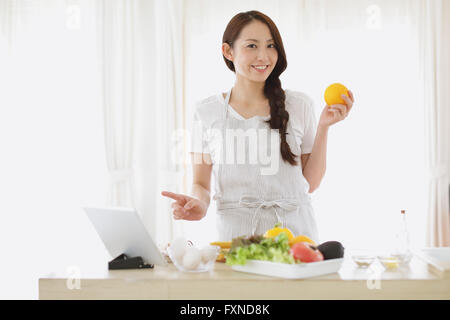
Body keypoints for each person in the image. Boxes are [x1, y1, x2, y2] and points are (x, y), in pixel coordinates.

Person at [162, 10, 354, 243]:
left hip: (295, 237)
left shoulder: (299, 105)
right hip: (236, 238)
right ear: (228, 51)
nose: (263, 56)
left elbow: (311, 183)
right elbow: (200, 183)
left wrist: (324, 126)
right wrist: (200, 205)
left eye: (271, 46)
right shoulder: (205, 112)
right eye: (252, 46)